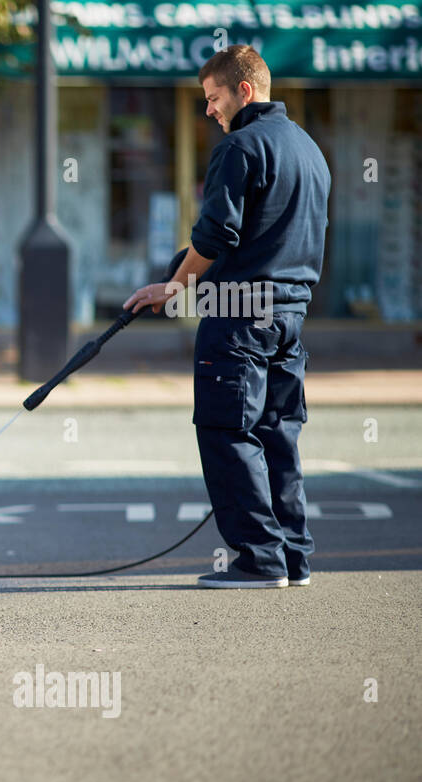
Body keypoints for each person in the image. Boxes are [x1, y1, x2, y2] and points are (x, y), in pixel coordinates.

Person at [123, 45, 331, 589]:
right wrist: (175, 282)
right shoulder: (309, 149)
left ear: (244, 90)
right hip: (289, 318)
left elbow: (216, 237)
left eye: (214, 98)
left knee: (227, 431)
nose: (209, 111)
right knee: (278, 436)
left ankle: (259, 560)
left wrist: (173, 288)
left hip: (237, 319)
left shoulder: (241, 147)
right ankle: (292, 557)